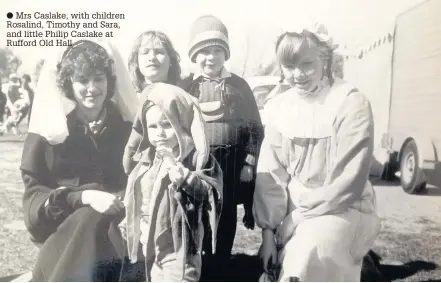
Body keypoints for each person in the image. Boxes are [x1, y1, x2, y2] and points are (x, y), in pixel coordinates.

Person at [253, 23, 381, 282]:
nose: (298, 75)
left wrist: (296, 219)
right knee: (279, 265)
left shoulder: (349, 102)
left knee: (308, 253)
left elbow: (349, 182)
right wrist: (269, 234)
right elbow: (272, 176)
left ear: (324, 59)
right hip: (294, 209)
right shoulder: (280, 107)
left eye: (307, 64)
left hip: (342, 206)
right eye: (289, 66)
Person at [20, 39, 138, 281]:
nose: (92, 88)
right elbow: (35, 196)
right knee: (88, 215)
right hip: (65, 233)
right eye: (82, 80)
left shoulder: (127, 129)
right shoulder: (51, 133)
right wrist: (84, 197)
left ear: (110, 82)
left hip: (120, 230)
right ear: (68, 85)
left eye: (99, 78)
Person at [179, 15, 264, 268]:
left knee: (226, 214)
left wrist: (249, 162)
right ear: (194, 56)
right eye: (204, 51)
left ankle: (221, 261)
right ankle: (200, 261)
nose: (211, 57)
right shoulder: (187, 87)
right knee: (199, 211)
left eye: (217, 50)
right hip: (200, 164)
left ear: (225, 54)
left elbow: (255, 128)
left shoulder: (239, 86)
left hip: (232, 164)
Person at [122, 83, 223, 281]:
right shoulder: (149, 158)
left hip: (181, 248)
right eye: (152, 126)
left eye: (167, 124)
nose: (159, 132)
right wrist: (129, 219)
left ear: (182, 124)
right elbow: (140, 193)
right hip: (154, 244)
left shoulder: (196, 159)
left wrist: (185, 178)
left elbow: (210, 191)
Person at [123, 30, 182, 175]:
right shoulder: (128, 97)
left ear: (171, 61)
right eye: (145, 52)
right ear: (136, 61)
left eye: (159, 52)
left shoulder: (182, 96)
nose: (152, 57)